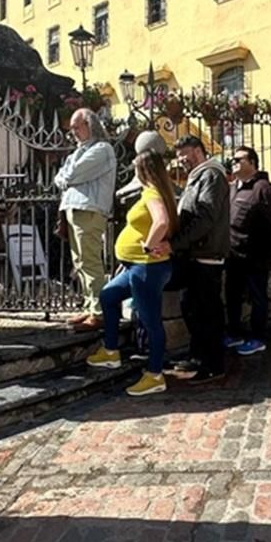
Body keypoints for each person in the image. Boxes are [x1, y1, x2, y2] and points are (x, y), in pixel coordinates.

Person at [86, 153, 177, 396]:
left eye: (136, 167)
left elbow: (162, 222)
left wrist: (148, 244)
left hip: (147, 267)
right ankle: (111, 351)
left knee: (151, 321)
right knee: (108, 296)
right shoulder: (155, 191)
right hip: (136, 267)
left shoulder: (152, 193)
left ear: (143, 169)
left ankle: (155, 375)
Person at [171, 135, 230, 384]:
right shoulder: (199, 176)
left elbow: (205, 217)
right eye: (178, 155)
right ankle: (198, 356)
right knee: (191, 306)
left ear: (198, 150)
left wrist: (177, 243)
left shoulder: (211, 176)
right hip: (195, 255)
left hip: (207, 255)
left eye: (184, 154)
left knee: (207, 311)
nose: (180, 160)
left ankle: (213, 363)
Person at [55, 108, 116, 332]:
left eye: (76, 127)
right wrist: (67, 176)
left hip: (89, 209)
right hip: (75, 208)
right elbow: (59, 177)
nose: (73, 132)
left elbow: (69, 175)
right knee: (79, 262)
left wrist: (67, 176)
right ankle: (90, 305)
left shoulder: (102, 149)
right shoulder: (79, 151)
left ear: (90, 125)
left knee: (90, 261)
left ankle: (98, 312)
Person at [225, 145, 271, 356]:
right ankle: (234, 333)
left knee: (258, 297)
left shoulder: (263, 189)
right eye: (233, 159)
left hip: (257, 256)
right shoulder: (233, 188)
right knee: (232, 296)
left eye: (239, 159)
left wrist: (263, 244)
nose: (234, 162)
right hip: (234, 255)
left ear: (253, 163)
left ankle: (258, 338)